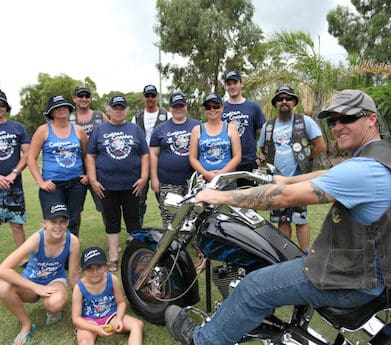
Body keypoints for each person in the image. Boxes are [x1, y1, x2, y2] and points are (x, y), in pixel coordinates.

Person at [165, 89, 391, 345]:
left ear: (371, 119)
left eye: (346, 119)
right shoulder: (378, 158)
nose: (338, 127)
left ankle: (202, 340)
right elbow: (329, 174)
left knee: (253, 287)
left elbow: (283, 197)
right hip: (360, 269)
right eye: (333, 121)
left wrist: (222, 197)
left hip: (352, 281)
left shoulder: (365, 170)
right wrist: (283, 178)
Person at [0, 202, 80, 345]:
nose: (58, 226)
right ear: (45, 223)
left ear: (68, 223)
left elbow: (73, 275)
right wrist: (35, 287)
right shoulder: (37, 239)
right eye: (53, 221)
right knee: (2, 287)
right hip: (31, 282)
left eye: (62, 221)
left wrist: (80, 308)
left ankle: (52, 310)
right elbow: (3, 269)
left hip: (55, 280)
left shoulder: (72, 241)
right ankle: (26, 325)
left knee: (55, 303)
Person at [86, 95, 149, 272]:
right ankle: (113, 257)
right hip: (107, 185)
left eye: (122, 108)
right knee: (112, 221)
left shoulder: (135, 129)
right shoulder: (100, 130)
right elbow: (90, 155)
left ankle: (137, 256)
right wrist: (92, 179)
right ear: (109, 110)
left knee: (133, 221)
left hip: (132, 185)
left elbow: (145, 154)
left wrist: (144, 177)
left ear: (127, 110)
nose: (119, 111)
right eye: (116, 108)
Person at [259, 85, 326, 250]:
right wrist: (264, 160)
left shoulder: (304, 122)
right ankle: (285, 254)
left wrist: (308, 160)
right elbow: (262, 149)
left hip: (299, 180)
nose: (284, 102)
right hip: (277, 181)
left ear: (294, 102)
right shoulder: (268, 126)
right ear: (275, 103)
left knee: (300, 219)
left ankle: (304, 255)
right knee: (282, 219)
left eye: (288, 98)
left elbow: (320, 145)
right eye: (280, 99)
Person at [28, 95, 88, 237]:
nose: (61, 110)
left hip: (76, 183)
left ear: (69, 109)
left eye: (64, 107)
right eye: (57, 108)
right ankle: (54, 254)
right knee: (54, 221)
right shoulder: (43, 130)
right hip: (52, 185)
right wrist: (40, 182)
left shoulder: (78, 130)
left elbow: (87, 156)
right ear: (51, 112)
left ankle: (71, 252)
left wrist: (88, 175)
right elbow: (31, 158)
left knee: (73, 219)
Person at [72, 246, 143, 345]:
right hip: (89, 320)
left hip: (111, 316)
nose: (95, 272)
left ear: (105, 266)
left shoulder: (112, 280)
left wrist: (119, 318)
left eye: (99, 267)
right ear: (83, 270)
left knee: (137, 324)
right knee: (85, 341)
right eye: (90, 269)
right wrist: (96, 329)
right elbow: (76, 318)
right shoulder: (79, 287)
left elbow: (121, 302)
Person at [150, 92, 200, 228]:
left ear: (186, 107)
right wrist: (154, 178)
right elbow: (153, 154)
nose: (178, 109)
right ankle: (172, 247)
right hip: (168, 182)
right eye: (175, 106)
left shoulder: (197, 126)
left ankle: (192, 245)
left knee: (193, 217)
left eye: (181, 106)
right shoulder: (160, 129)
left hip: (193, 182)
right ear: (170, 108)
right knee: (170, 218)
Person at [70, 86, 109, 230]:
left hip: (99, 170)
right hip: (76, 170)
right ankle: (73, 242)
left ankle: (111, 239)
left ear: (91, 98)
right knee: (74, 212)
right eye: (80, 96)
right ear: (74, 99)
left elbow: (111, 135)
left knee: (105, 207)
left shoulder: (99, 116)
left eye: (87, 96)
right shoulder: (69, 118)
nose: (84, 99)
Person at [132, 84, 171, 226]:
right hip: (141, 163)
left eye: (153, 95)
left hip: (160, 163)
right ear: (143, 97)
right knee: (138, 200)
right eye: (147, 95)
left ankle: (169, 229)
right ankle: (136, 231)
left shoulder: (167, 115)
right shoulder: (136, 117)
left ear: (157, 97)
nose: (150, 98)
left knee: (164, 199)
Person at [0, 89, 30, 267]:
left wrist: (14, 173)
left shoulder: (18, 128)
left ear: (6, 106)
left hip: (14, 185)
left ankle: (23, 258)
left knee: (16, 223)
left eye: (1, 104)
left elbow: (27, 154)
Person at [222, 70, 265, 186]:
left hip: (249, 162)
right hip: (227, 163)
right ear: (225, 86)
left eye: (235, 83)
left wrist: (261, 156)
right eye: (229, 84)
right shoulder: (220, 108)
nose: (232, 86)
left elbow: (263, 133)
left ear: (241, 83)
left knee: (249, 200)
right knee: (227, 201)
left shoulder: (253, 107)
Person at [189, 93, 241, 183]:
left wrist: (221, 174)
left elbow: (237, 157)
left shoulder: (231, 128)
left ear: (222, 107)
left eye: (216, 106)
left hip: (227, 180)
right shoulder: (197, 130)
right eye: (208, 107)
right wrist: (206, 174)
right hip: (204, 180)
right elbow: (192, 158)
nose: (212, 110)